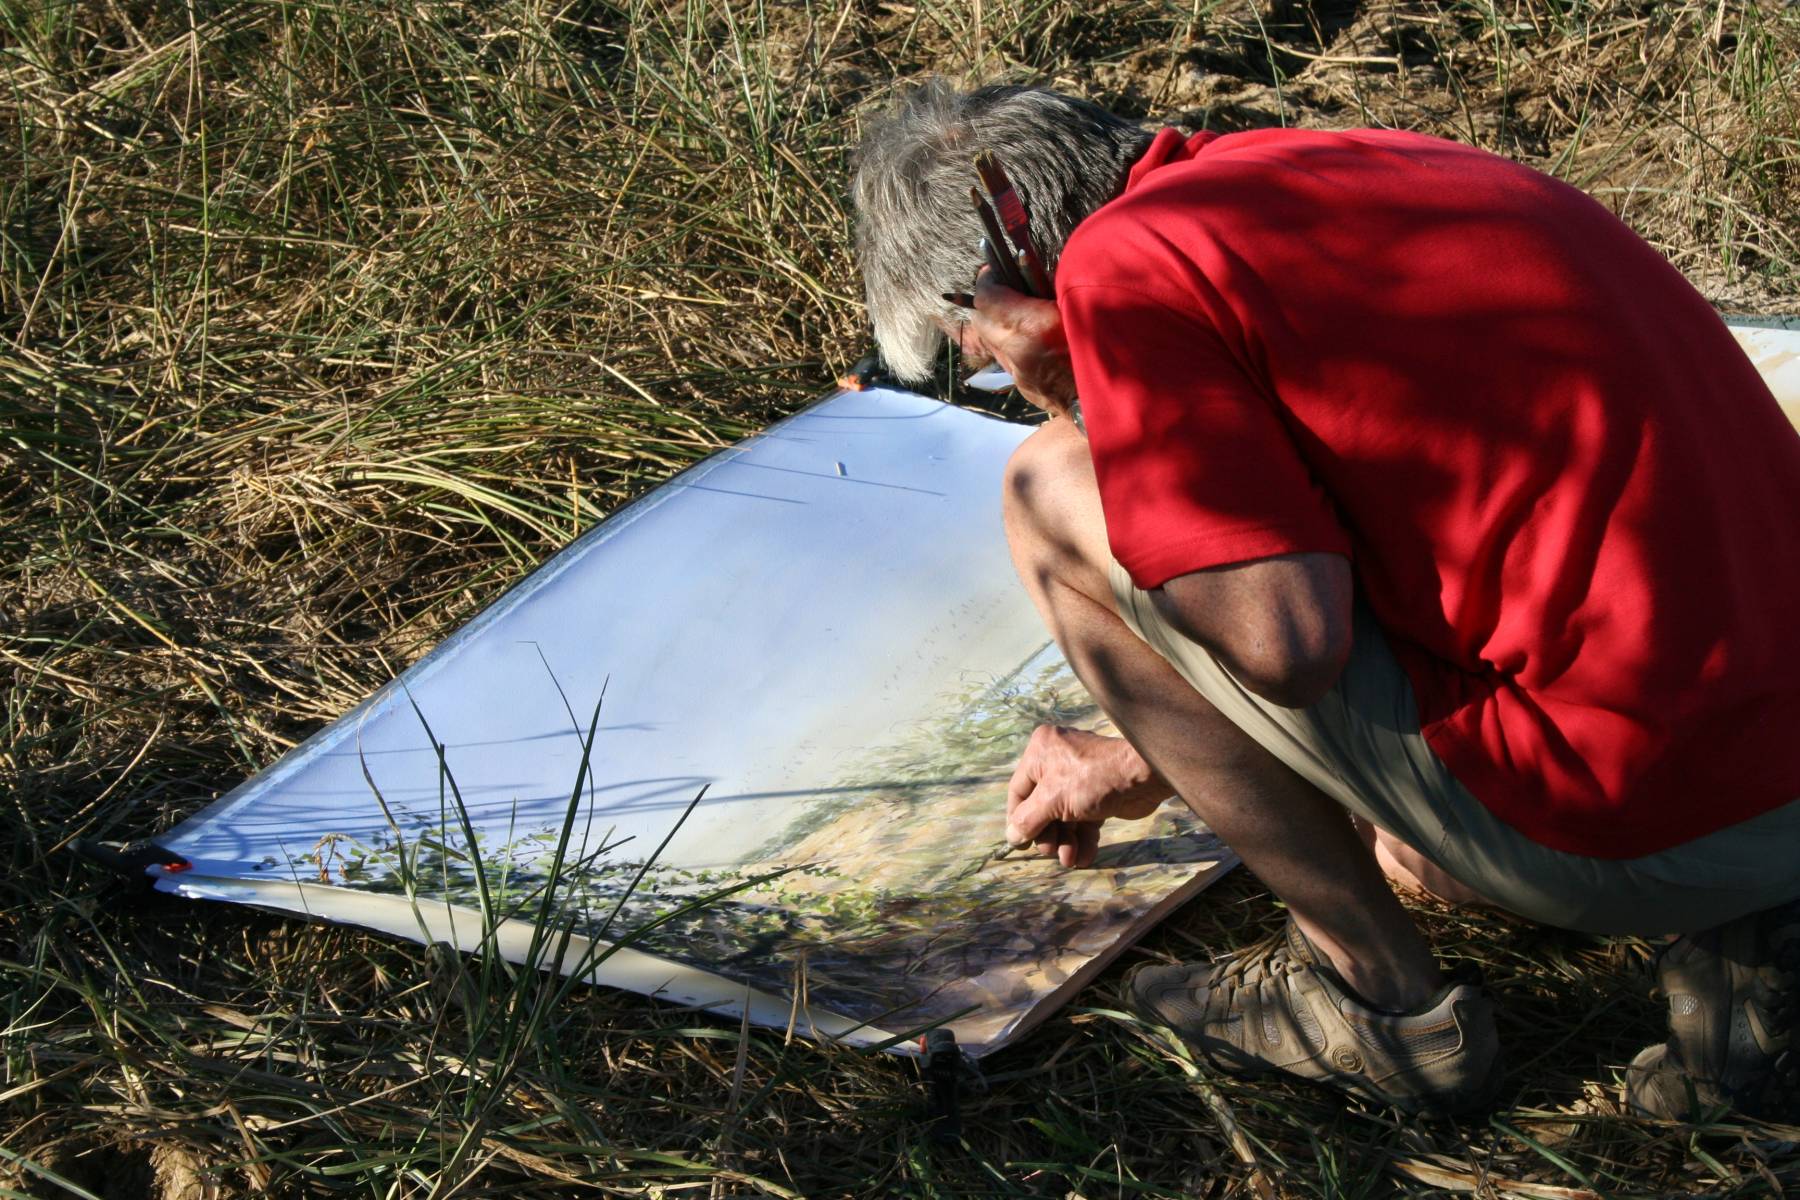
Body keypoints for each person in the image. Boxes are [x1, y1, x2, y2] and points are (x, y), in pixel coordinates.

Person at [849, 81, 1800, 1117]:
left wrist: (1074, 396)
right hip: (1767, 761)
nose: (987, 364)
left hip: (1639, 808)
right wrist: (1143, 755)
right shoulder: (1358, 165)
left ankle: (1377, 1002)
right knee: (1412, 851)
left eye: (969, 346)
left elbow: (1283, 643)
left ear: (1003, 268)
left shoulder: (1125, 266)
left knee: (1047, 486)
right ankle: (1753, 934)